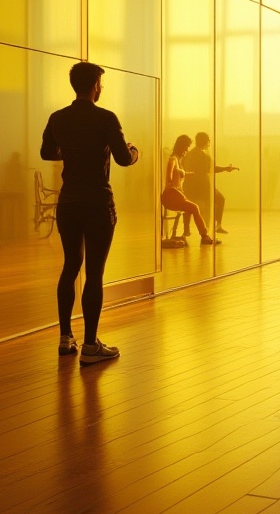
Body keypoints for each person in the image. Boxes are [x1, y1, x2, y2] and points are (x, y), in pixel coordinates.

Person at [41, 61, 139, 365]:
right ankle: (91, 345)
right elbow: (123, 159)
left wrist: (70, 152)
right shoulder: (105, 118)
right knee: (94, 273)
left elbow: (46, 152)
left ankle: (65, 338)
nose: (102, 87)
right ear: (95, 85)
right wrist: (135, 151)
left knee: (70, 266)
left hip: (68, 202)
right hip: (98, 202)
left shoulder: (58, 118)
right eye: (101, 83)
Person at [162, 135, 218, 246]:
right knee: (194, 207)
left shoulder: (178, 160)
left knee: (192, 207)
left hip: (177, 195)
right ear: (181, 147)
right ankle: (204, 236)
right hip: (171, 195)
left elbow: (177, 175)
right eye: (186, 147)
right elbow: (169, 181)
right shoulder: (173, 160)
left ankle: (201, 234)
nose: (187, 150)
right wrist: (178, 192)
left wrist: (187, 174)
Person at [181, 131, 237, 238]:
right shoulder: (204, 157)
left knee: (188, 206)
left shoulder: (189, 154)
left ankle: (186, 230)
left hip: (189, 187)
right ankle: (214, 227)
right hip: (203, 187)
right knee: (219, 200)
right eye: (208, 141)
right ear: (206, 142)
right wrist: (226, 169)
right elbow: (212, 169)